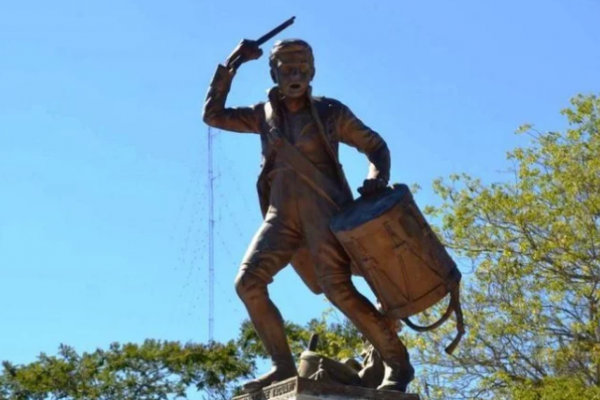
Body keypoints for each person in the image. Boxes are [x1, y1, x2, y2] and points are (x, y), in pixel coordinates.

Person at [203, 38, 414, 392]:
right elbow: (213, 115)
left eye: (302, 69)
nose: (295, 75)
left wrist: (376, 180)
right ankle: (282, 367)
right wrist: (233, 64)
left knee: (339, 291)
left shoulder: (331, 112)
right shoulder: (262, 114)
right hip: (281, 217)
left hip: (325, 215)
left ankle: (398, 364)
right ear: (274, 73)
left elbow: (375, 146)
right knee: (248, 283)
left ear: (313, 72)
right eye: (287, 69)